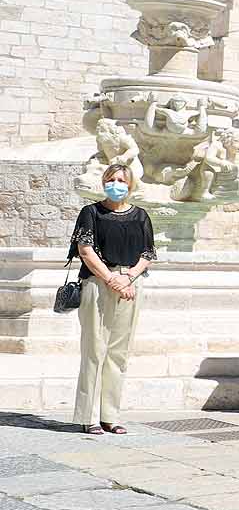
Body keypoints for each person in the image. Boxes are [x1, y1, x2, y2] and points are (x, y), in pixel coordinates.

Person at [69, 164, 156, 435]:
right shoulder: (91, 213)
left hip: (130, 284)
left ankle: (110, 415)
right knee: (94, 349)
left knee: (119, 353)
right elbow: (85, 250)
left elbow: (148, 254)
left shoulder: (141, 216)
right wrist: (112, 280)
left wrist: (128, 278)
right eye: (110, 179)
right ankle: (89, 416)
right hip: (99, 283)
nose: (115, 183)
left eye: (121, 180)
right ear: (103, 182)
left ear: (130, 185)